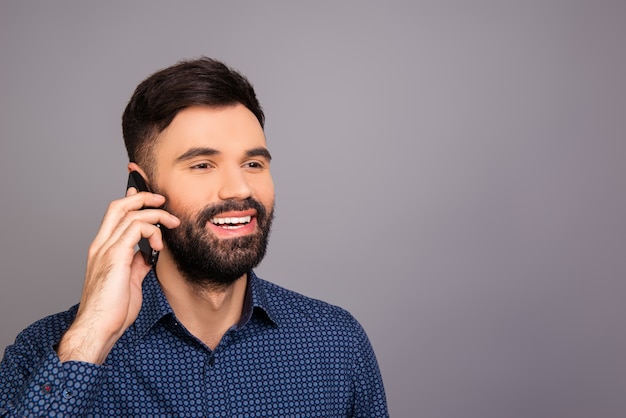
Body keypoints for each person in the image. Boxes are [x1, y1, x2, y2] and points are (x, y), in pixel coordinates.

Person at [0, 57, 388, 417]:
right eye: (203, 165)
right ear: (141, 187)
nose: (238, 189)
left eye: (253, 163)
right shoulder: (45, 350)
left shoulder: (337, 344)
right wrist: (91, 336)